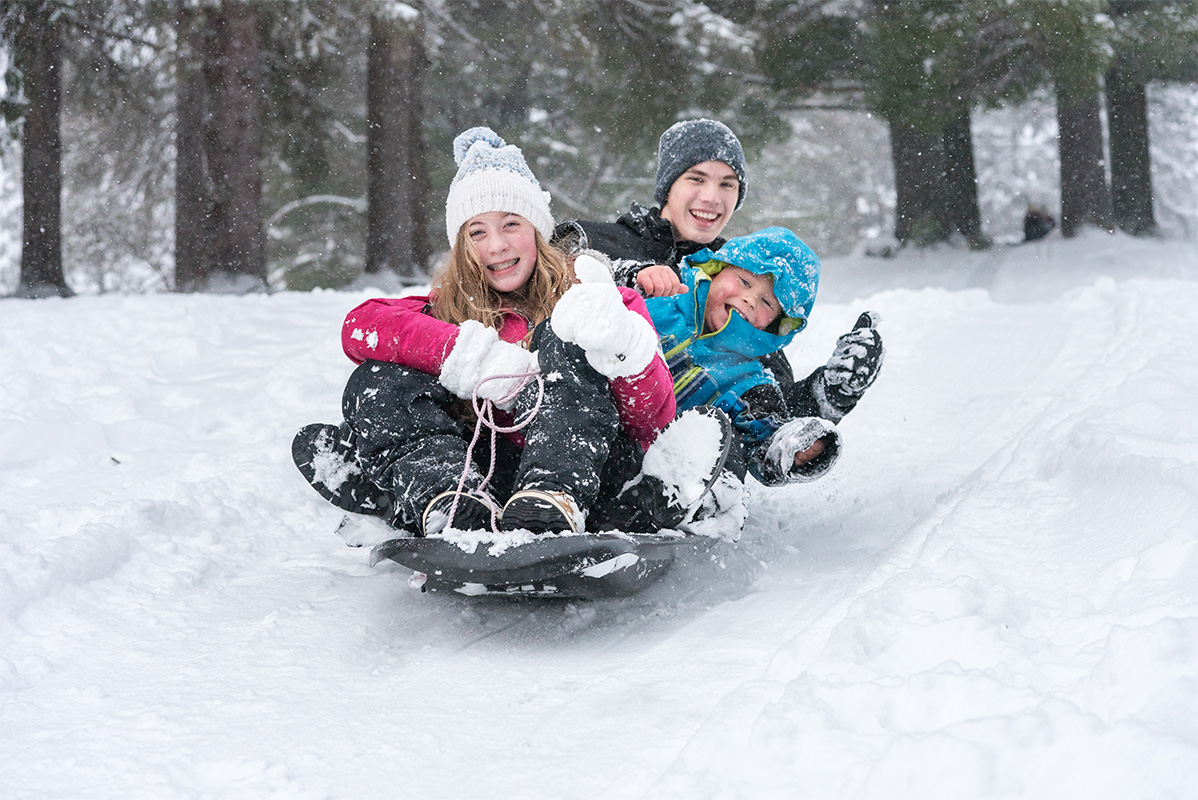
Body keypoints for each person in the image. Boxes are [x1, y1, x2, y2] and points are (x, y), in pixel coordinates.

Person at [292, 127, 728, 537]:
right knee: (378, 381)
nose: (496, 246)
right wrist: (473, 358)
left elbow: (652, 423)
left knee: (566, 336)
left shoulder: (597, 299)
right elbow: (361, 326)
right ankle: (445, 500)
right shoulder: (447, 307)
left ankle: (559, 499)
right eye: (477, 232)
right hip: (486, 477)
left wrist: (625, 350)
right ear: (462, 247)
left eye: (511, 225)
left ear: (538, 232)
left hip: (588, 468)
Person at [553, 118, 883, 427]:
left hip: (675, 464)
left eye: (728, 184)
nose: (712, 197)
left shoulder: (741, 282)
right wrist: (625, 275)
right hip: (582, 422)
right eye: (696, 178)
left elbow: (767, 409)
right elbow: (539, 295)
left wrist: (828, 393)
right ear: (669, 185)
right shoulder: (599, 241)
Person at [642, 226, 880, 488]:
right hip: (610, 426)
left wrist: (793, 448)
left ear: (775, 326)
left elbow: (764, 435)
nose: (750, 300)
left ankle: (696, 513)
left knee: (724, 443)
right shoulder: (660, 301)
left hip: (660, 469)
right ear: (717, 269)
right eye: (745, 282)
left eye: (767, 303)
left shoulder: (749, 382)